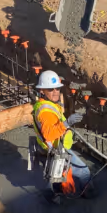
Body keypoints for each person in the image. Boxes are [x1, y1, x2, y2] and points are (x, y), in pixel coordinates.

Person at [32, 70, 91, 202]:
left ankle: (53, 196)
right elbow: (49, 134)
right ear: (42, 91)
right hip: (56, 149)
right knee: (84, 172)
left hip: (49, 148)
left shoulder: (45, 104)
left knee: (54, 175)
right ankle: (90, 195)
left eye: (57, 88)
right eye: (50, 89)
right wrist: (67, 123)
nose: (55, 92)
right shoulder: (46, 112)